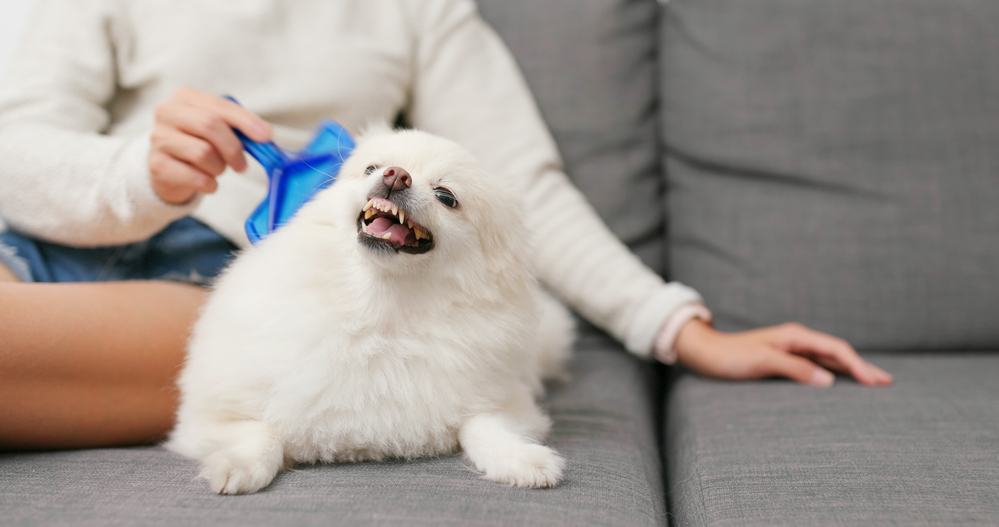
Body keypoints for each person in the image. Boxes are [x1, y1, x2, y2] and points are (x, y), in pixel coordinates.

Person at [0, 0, 891, 450]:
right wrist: (139, 175)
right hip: (40, 234)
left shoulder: (417, 9)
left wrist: (678, 329)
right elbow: (14, 151)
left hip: (229, 277)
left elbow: (516, 192)